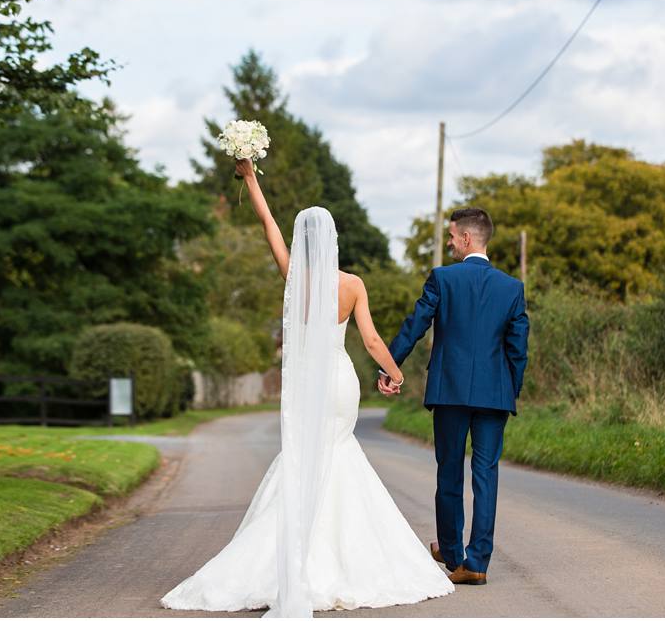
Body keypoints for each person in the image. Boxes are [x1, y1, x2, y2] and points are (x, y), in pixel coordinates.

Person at [160, 158, 453, 616]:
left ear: (304, 243)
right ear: (334, 240)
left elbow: (267, 224)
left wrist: (251, 177)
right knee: (339, 453)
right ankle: (344, 558)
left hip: (305, 384)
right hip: (338, 382)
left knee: (305, 457)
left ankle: (293, 557)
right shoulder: (353, 284)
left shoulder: (294, 278)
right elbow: (372, 340)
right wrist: (394, 373)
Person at [379, 207, 530, 587]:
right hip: (494, 396)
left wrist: (389, 365)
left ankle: (451, 551)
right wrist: (509, 391)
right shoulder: (512, 288)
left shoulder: (443, 279)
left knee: (449, 471)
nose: (448, 244)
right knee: (486, 475)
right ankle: (476, 561)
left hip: (450, 391)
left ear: (466, 239)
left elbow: (415, 325)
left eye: (450, 237)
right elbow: (518, 349)